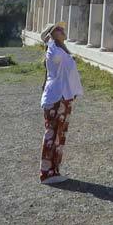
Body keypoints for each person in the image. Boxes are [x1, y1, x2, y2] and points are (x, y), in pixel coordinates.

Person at [39, 22, 83, 184]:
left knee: (59, 135)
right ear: (51, 35)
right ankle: (46, 173)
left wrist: (73, 93)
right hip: (56, 98)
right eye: (58, 29)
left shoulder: (61, 51)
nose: (63, 30)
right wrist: (49, 40)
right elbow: (53, 56)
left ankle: (54, 170)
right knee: (52, 134)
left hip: (64, 97)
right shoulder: (53, 51)